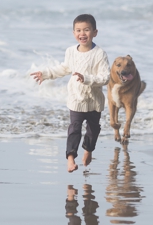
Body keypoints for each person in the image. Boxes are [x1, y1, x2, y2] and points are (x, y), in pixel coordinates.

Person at [30, 14, 110, 172]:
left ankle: (88, 150)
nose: (82, 33)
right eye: (78, 30)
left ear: (95, 32)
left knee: (93, 130)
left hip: (94, 101)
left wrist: (86, 78)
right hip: (76, 99)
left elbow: (105, 77)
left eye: (86, 30)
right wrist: (45, 74)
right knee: (74, 128)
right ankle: (71, 158)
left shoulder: (100, 54)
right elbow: (64, 68)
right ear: (74, 33)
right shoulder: (71, 51)